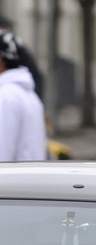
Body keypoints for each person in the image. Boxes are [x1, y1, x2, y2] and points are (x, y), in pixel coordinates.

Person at [0, 29, 46, 161]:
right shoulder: (25, 93)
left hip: (12, 181)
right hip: (26, 179)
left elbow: (2, 154)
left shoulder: (6, 97)